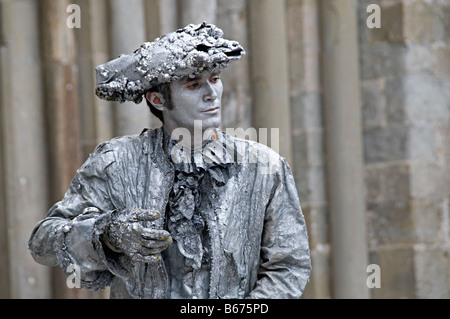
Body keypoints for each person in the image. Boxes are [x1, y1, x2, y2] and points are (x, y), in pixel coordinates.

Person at [28, 22, 311, 299]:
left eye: (215, 79)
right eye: (193, 84)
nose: (211, 94)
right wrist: (107, 235)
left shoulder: (264, 166)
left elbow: (289, 266)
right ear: (158, 100)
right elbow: (43, 242)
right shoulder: (116, 163)